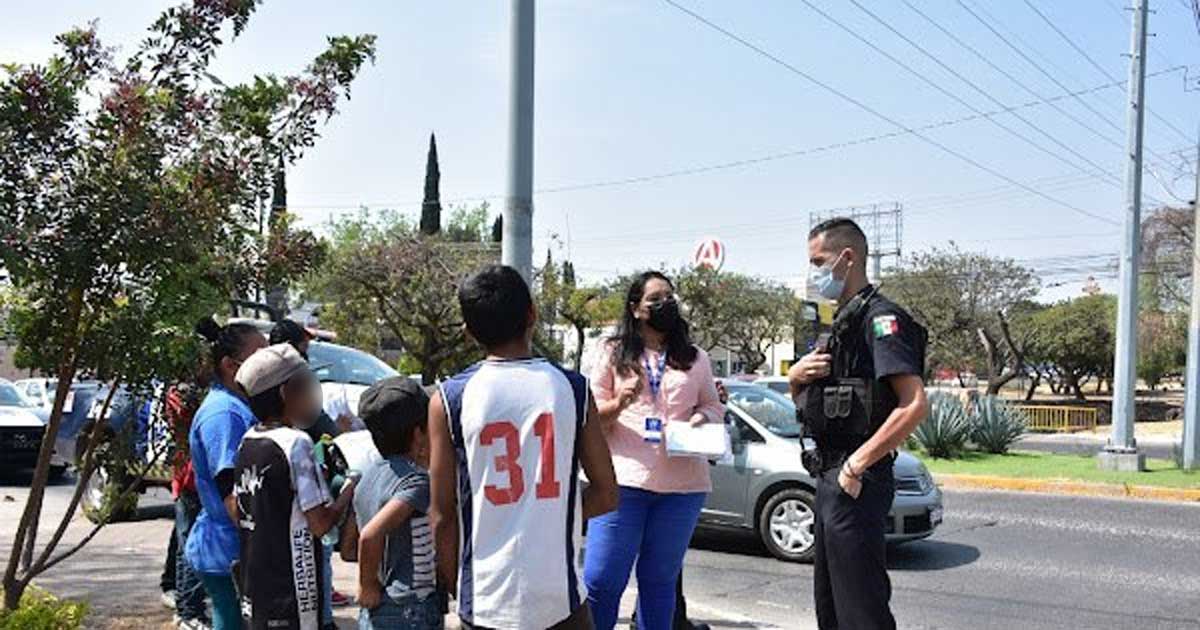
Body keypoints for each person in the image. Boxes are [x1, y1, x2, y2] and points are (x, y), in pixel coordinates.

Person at [429, 264, 619, 630]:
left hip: (485, 601)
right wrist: (551, 517)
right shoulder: (573, 390)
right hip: (560, 599)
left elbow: (442, 516)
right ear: (532, 313)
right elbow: (608, 494)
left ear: (469, 332)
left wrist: (457, 588)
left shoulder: (449, 400)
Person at [788, 218, 929, 630]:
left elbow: (914, 405)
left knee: (861, 611)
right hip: (830, 476)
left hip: (856, 479)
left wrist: (857, 465)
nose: (813, 273)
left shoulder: (881, 320)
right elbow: (814, 405)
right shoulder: (842, 325)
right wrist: (796, 378)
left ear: (847, 258)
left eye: (819, 262)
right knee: (831, 606)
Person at [585, 271, 724, 630]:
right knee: (602, 580)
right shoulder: (611, 352)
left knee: (659, 583)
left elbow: (713, 406)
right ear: (636, 309)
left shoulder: (696, 358)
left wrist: (700, 418)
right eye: (656, 299)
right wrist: (620, 401)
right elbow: (590, 418)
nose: (667, 305)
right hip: (621, 485)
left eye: (671, 298)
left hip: (682, 488)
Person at [232, 343, 357, 630]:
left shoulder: (247, 441)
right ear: (285, 393)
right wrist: (349, 490)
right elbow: (319, 524)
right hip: (293, 591)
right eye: (305, 387)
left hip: (257, 587)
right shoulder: (295, 443)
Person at [271, 318, 354, 625]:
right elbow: (320, 524)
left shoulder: (257, 437)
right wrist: (344, 494)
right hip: (302, 530)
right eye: (302, 352)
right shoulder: (295, 442)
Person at [186, 318, 266, 630]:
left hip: (233, 544)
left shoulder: (238, 405)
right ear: (232, 366)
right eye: (260, 357)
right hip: (227, 549)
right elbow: (231, 490)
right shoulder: (224, 413)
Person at [348, 376, 444, 629]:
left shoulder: (370, 475)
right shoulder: (417, 482)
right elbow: (369, 534)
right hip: (408, 608)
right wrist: (366, 585)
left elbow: (352, 539)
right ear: (418, 433)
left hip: (380, 609)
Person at [167, 378, 211, 630]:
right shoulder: (182, 392)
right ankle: (188, 611)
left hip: (192, 476)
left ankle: (183, 600)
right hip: (189, 479)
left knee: (185, 541)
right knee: (190, 547)